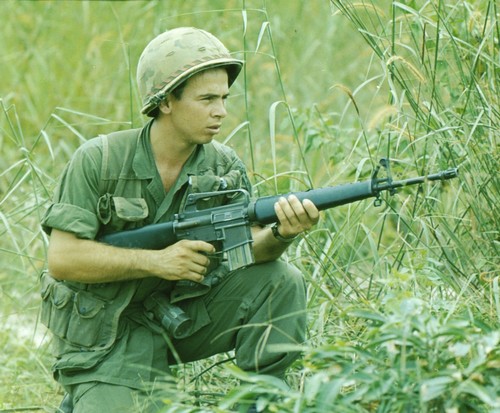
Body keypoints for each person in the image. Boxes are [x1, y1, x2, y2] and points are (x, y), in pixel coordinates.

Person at [40, 27, 319, 413]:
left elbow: (247, 252)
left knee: (280, 280)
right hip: (106, 333)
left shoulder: (223, 166)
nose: (220, 111)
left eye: (223, 98)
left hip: (180, 317)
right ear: (166, 101)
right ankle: (96, 388)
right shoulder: (99, 161)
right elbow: (63, 258)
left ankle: (263, 402)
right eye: (206, 99)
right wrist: (158, 261)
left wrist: (283, 234)